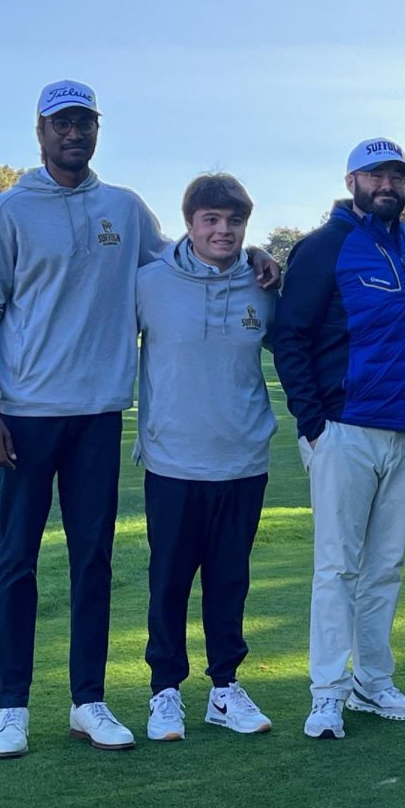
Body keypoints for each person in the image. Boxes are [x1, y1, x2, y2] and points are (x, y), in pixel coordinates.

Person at [0, 79, 281, 759]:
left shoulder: (124, 209)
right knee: (16, 561)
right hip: (24, 414)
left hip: (99, 416)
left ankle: (89, 701)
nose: (73, 134)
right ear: (41, 131)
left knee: (94, 562)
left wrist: (254, 256)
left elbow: (184, 258)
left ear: (96, 130)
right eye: (61, 124)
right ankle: (11, 706)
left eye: (84, 123)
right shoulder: (8, 210)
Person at [272, 138, 405, 740]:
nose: (387, 183)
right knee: (337, 568)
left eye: (397, 174)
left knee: (385, 567)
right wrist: (312, 423)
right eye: (376, 174)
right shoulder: (324, 246)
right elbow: (288, 336)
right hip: (344, 429)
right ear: (352, 180)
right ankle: (327, 693)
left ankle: (373, 682)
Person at [136, 174, 277, 741]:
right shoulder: (148, 283)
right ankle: (165, 691)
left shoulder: (264, 285)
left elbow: (298, 346)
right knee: (168, 582)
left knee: (229, 581)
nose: (223, 231)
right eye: (211, 220)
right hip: (172, 462)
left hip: (243, 461)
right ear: (190, 222)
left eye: (234, 221)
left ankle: (224, 690)